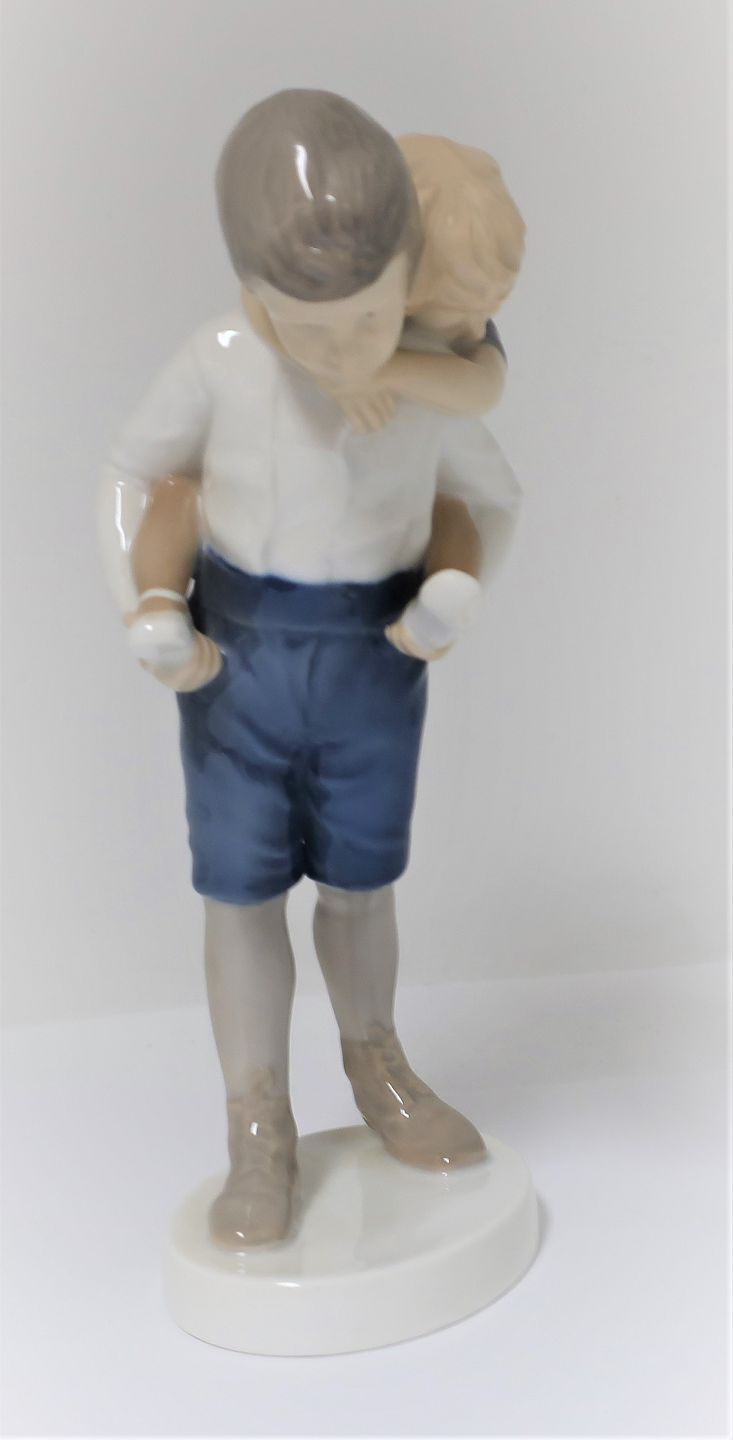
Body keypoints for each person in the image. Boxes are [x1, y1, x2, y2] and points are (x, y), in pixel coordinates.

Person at [98, 89, 522, 1249]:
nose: (346, 355)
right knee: (238, 891)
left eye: (369, 317)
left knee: (361, 881)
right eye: (309, 327)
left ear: (407, 275)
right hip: (236, 662)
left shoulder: (424, 372)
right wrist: (143, 605)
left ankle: (376, 1061)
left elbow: (490, 494)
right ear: (252, 292)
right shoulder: (222, 360)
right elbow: (134, 471)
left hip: (372, 658)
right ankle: (257, 1122)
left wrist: (452, 601)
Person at [126, 131, 525, 682]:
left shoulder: (437, 374)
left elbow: (485, 400)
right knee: (175, 495)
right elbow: (258, 301)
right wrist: (339, 377)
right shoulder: (235, 345)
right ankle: (160, 604)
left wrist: (383, 372)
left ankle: (447, 590)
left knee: (452, 511)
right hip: (239, 610)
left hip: (369, 623)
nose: (475, 329)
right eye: (459, 311)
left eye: (488, 310)